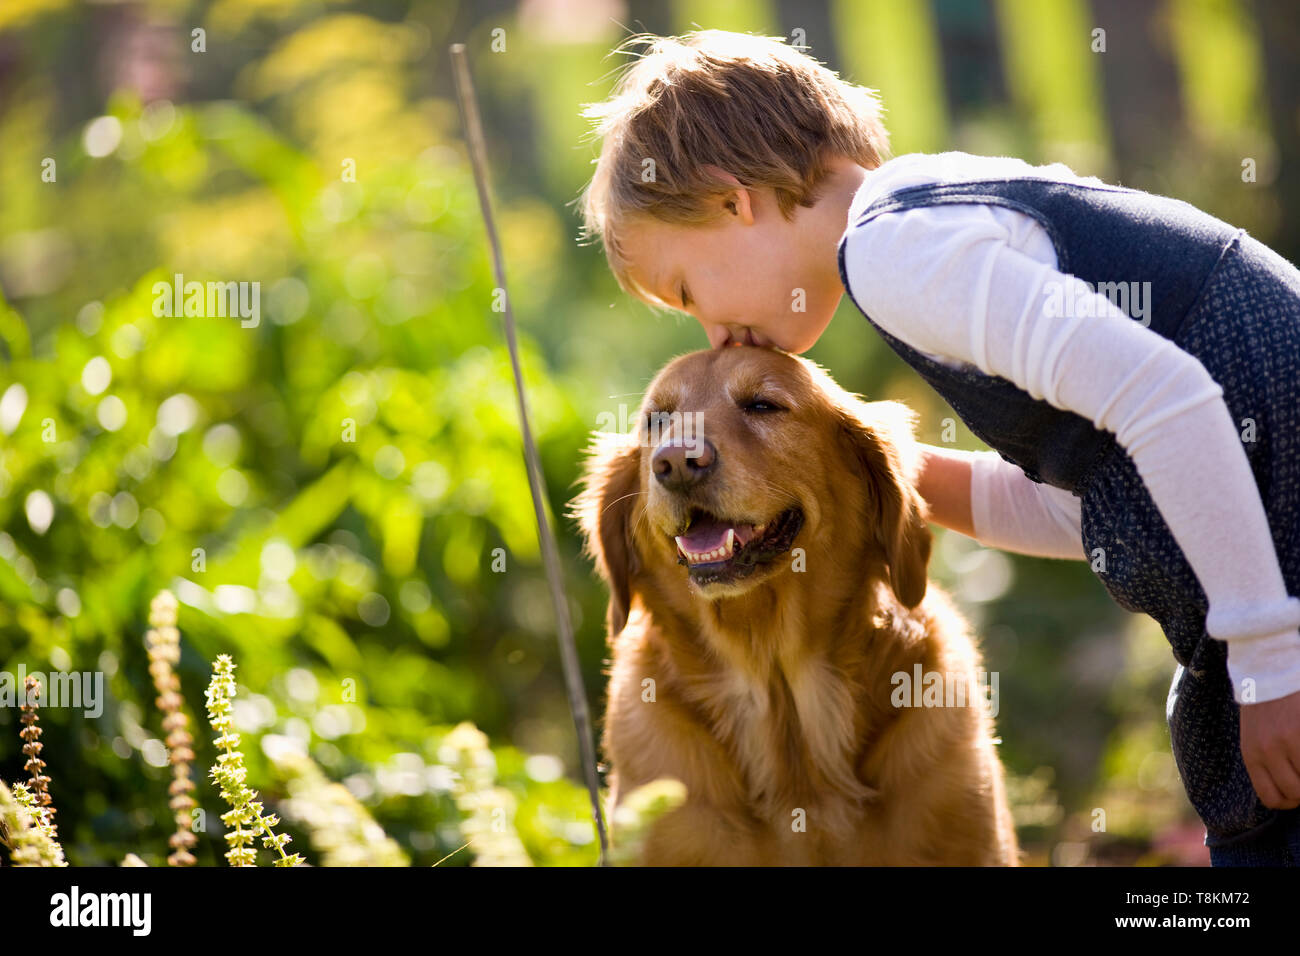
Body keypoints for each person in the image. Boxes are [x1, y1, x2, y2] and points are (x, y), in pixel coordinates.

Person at [577, 29, 1300, 865]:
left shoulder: (895, 249)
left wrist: (1270, 655)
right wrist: (869, 478)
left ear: (731, 200)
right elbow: (1099, 501)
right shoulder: (933, 221)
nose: (719, 332)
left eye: (689, 290)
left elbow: (1166, 400)